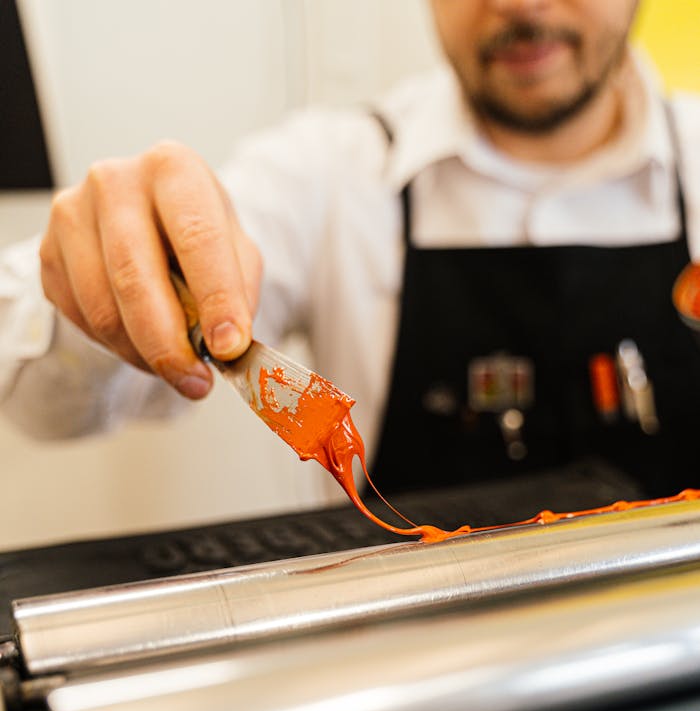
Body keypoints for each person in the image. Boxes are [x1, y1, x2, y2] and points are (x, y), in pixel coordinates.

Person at [2, 0, 699, 501]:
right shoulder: (328, 171)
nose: (520, 5)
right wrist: (104, 275)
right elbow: (42, 403)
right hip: (403, 682)